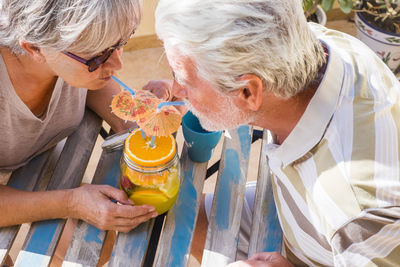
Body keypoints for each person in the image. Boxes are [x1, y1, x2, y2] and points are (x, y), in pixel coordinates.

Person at [150, 0, 400, 265]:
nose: (176, 90)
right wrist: (194, 93)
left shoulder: (353, 211)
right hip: (296, 214)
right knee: (181, 214)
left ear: (248, 92)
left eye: (184, 81)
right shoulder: (315, 43)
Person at [0, 0, 158, 233]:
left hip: (41, 161)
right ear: (34, 49)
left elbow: (92, 83)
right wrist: (72, 203)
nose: (118, 65)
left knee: (101, 241)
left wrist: (133, 122)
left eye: (121, 42)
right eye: (98, 56)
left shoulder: (63, 52)